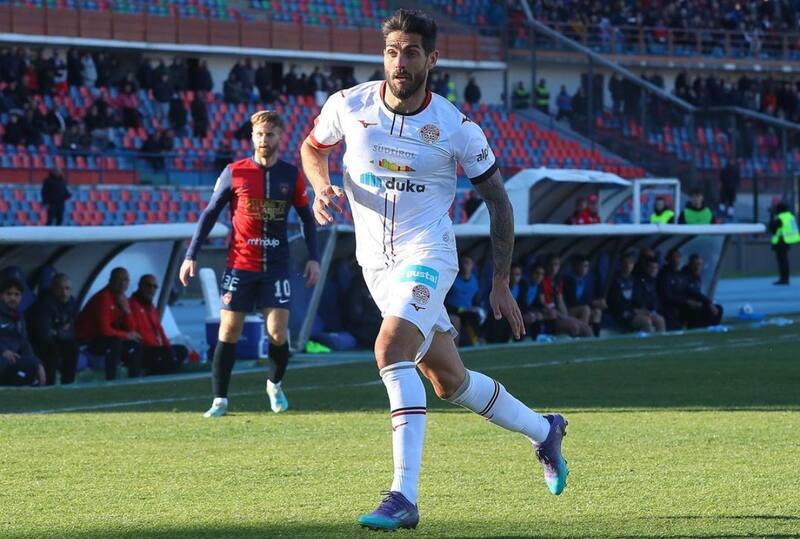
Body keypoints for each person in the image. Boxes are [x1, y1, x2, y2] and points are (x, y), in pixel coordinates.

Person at [301, 10, 569, 530]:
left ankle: (404, 497)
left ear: (432, 59)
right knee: (448, 381)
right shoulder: (348, 105)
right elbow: (313, 148)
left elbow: (499, 203)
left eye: (412, 52)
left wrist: (500, 281)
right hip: (375, 267)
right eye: (393, 51)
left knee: (389, 350)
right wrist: (320, 186)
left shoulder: (456, 129)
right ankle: (545, 429)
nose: (400, 62)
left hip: (428, 256)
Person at [180, 110, 320, 418]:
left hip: (276, 267)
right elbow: (210, 214)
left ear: (280, 137)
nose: (264, 139)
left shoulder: (290, 175)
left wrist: (314, 258)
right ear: (252, 137)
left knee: (277, 333)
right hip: (240, 265)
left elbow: (307, 218)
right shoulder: (235, 171)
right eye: (259, 134)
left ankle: (274, 383)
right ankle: (220, 400)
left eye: (270, 134)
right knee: (228, 331)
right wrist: (191, 255)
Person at [75, 267, 143, 380]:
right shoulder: (103, 298)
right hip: (88, 340)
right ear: (110, 280)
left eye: (125, 280)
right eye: (119, 279)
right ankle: (111, 379)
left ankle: (134, 379)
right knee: (115, 342)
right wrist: (126, 335)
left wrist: (127, 311)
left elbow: (131, 328)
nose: (122, 283)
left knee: (135, 344)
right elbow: (104, 330)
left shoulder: (122, 298)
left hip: (105, 339)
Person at [25, 273, 79, 385]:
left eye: (67, 289)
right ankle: (49, 384)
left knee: (72, 347)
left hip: (56, 340)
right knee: (50, 349)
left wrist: (57, 332)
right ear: (52, 288)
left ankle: (68, 384)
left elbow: (75, 331)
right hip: (34, 343)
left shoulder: (71, 303)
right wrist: (62, 331)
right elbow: (44, 334)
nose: (64, 293)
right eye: (60, 288)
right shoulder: (43, 305)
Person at [129, 274, 182, 375]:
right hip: (144, 349)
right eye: (148, 285)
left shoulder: (151, 307)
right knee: (165, 355)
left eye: (154, 286)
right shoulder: (132, 304)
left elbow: (160, 330)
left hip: (156, 348)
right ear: (140, 285)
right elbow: (133, 329)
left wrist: (168, 347)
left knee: (180, 350)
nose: (151, 289)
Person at [0, 277, 44, 386]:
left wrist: (38, 363)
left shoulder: (19, 317)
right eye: (9, 294)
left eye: (16, 294)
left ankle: (23, 389)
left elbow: (24, 344)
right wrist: (2, 351)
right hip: (2, 358)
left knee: (33, 364)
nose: (13, 298)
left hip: (12, 360)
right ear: (1, 296)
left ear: (21, 297)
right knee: (5, 362)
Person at [540, 254, 594, 337]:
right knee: (575, 327)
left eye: (556, 264)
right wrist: (562, 316)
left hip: (558, 313)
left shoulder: (558, 280)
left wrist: (565, 315)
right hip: (549, 315)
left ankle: (582, 338)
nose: (554, 267)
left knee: (587, 327)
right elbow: (542, 303)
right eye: (551, 264)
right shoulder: (542, 280)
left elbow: (560, 300)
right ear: (546, 265)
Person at [608, 253, 663, 333]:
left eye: (630, 263)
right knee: (646, 322)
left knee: (660, 320)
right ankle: (647, 344)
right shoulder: (614, 280)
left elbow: (639, 299)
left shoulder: (634, 280)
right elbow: (615, 303)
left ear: (633, 265)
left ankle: (662, 344)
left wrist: (644, 309)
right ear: (620, 264)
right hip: (623, 313)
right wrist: (634, 311)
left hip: (636, 311)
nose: (628, 266)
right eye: (625, 263)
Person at [444, 254, 485, 346]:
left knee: (476, 316)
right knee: (457, 320)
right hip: (452, 309)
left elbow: (476, 299)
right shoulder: (452, 279)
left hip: (467, 310)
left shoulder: (475, 281)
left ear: (472, 265)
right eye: (462, 263)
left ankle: (478, 341)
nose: (464, 265)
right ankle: (455, 348)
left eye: (467, 263)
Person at [562, 255, 606, 337]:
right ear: (575, 267)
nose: (584, 269)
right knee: (585, 309)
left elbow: (588, 298)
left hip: (581, 307)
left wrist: (599, 301)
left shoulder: (586, 281)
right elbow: (572, 301)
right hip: (568, 309)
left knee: (597, 312)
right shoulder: (569, 280)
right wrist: (592, 303)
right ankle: (582, 334)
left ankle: (596, 337)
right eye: (581, 266)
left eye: (586, 266)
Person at [682, 254, 723, 328]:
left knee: (719, 308)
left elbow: (698, 293)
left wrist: (708, 303)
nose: (697, 267)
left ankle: (713, 329)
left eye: (699, 264)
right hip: (685, 303)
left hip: (697, 302)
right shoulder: (685, 276)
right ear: (690, 264)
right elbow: (693, 292)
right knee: (702, 309)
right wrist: (708, 302)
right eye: (695, 264)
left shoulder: (697, 277)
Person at [657, 248, 690, 330]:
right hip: (669, 306)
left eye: (678, 257)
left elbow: (689, 290)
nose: (676, 259)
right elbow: (666, 296)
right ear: (668, 259)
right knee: (673, 311)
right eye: (674, 257)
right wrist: (684, 301)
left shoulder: (682, 274)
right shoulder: (664, 275)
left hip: (681, 303)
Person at [632, 257, 666, 333]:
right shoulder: (639, 281)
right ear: (646, 268)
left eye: (655, 268)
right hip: (639, 310)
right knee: (648, 321)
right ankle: (651, 343)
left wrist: (654, 309)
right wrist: (646, 310)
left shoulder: (656, 281)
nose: (653, 270)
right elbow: (638, 299)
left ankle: (661, 343)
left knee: (660, 320)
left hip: (651, 311)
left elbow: (656, 299)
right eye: (651, 267)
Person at [768, 200, 799, 285]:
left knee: (782, 261)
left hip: (782, 241)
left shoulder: (781, 218)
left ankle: (783, 279)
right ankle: (785, 278)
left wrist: (771, 216)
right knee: (784, 260)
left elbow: (772, 228)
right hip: (788, 240)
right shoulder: (790, 216)